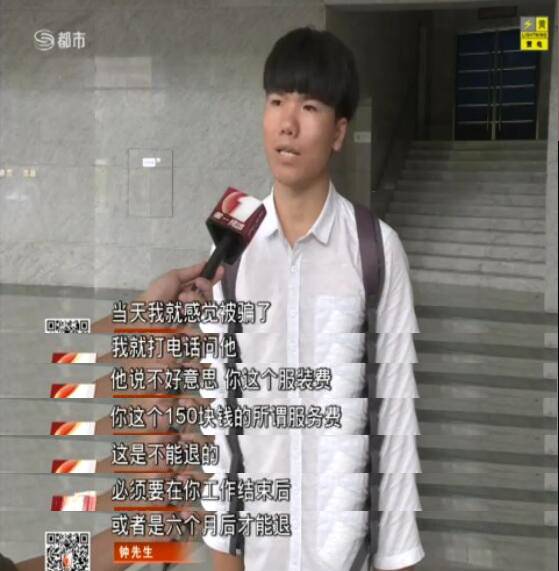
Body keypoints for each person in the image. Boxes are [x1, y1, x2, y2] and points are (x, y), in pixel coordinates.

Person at [196, 27, 424, 571]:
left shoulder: (376, 250)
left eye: (310, 106)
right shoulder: (230, 253)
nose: (287, 123)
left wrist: (396, 557)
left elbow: (394, 420)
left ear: (339, 131)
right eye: (277, 101)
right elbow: (222, 425)